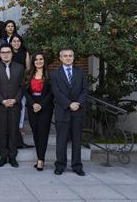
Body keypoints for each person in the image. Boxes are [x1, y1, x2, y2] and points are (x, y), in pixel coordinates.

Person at [51, 48, 88, 176]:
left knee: (77, 141)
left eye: (70, 56)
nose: (68, 58)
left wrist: (78, 103)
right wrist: (69, 104)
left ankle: (77, 166)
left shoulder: (80, 72)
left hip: (78, 111)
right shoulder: (55, 73)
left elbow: (84, 90)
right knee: (61, 141)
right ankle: (60, 165)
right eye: (65, 56)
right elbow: (56, 92)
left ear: (73, 57)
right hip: (63, 111)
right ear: (60, 58)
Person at [0, 44, 25, 168]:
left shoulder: (19, 67)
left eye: (8, 52)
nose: (6, 54)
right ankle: (3, 156)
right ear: (0, 54)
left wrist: (15, 100)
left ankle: (12, 156)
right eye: (3, 52)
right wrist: (2, 100)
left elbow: (22, 87)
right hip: (0, 106)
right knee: (1, 131)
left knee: (13, 130)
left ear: (12, 53)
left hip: (15, 105)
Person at [24, 52, 53, 171]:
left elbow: (52, 93)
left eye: (41, 59)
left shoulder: (50, 75)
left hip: (45, 107)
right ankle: (39, 156)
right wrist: (33, 104)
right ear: (33, 62)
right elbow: (25, 91)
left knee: (43, 133)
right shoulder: (28, 74)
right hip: (32, 106)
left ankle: (41, 160)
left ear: (44, 61)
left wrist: (41, 104)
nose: (39, 61)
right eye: (36, 60)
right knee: (35, 132)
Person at [10, 34, 32, 149]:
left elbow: (28, 69)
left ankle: (20, 126)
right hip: (9, 83)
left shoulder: (25, 53)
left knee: (22, 104)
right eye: (14, 41)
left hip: (21, 82)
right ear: (11, 42)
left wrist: (22, 79)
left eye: (18, 41)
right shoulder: (7, 52)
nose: (16, 43)